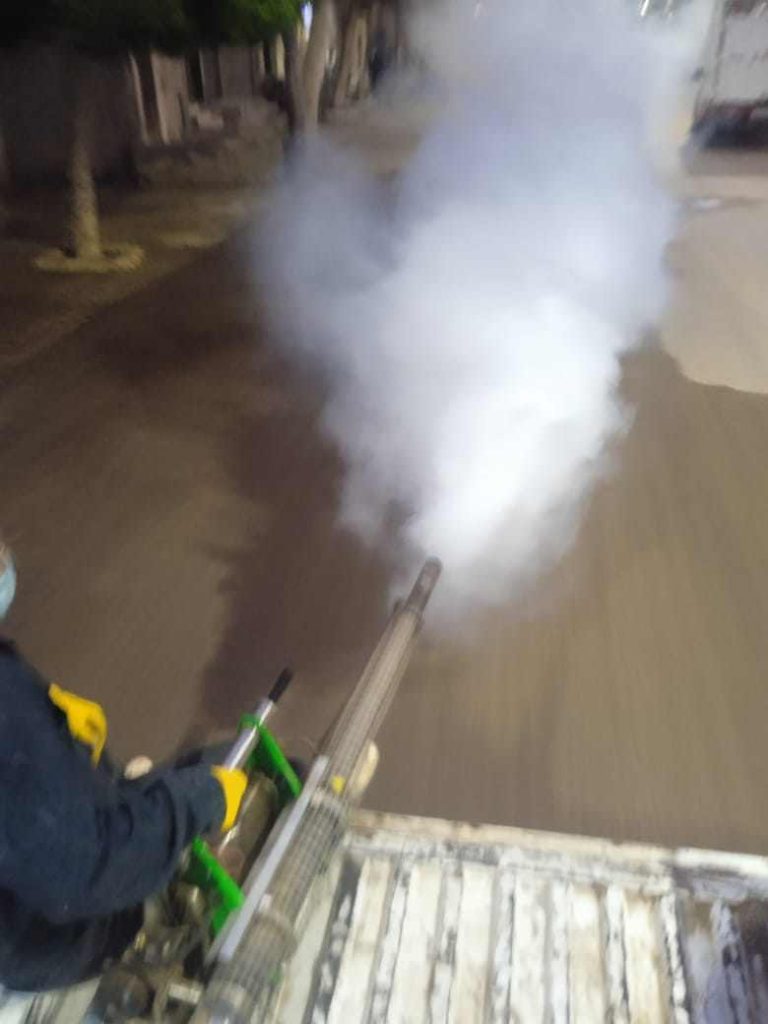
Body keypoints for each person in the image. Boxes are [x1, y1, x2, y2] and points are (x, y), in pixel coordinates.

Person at [0, 539, 247, 993]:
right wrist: (198, 803)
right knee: (222, 775)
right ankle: (157, 929)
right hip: (47, 936)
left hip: (36, 871)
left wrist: (47, 724)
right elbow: (80, 873)